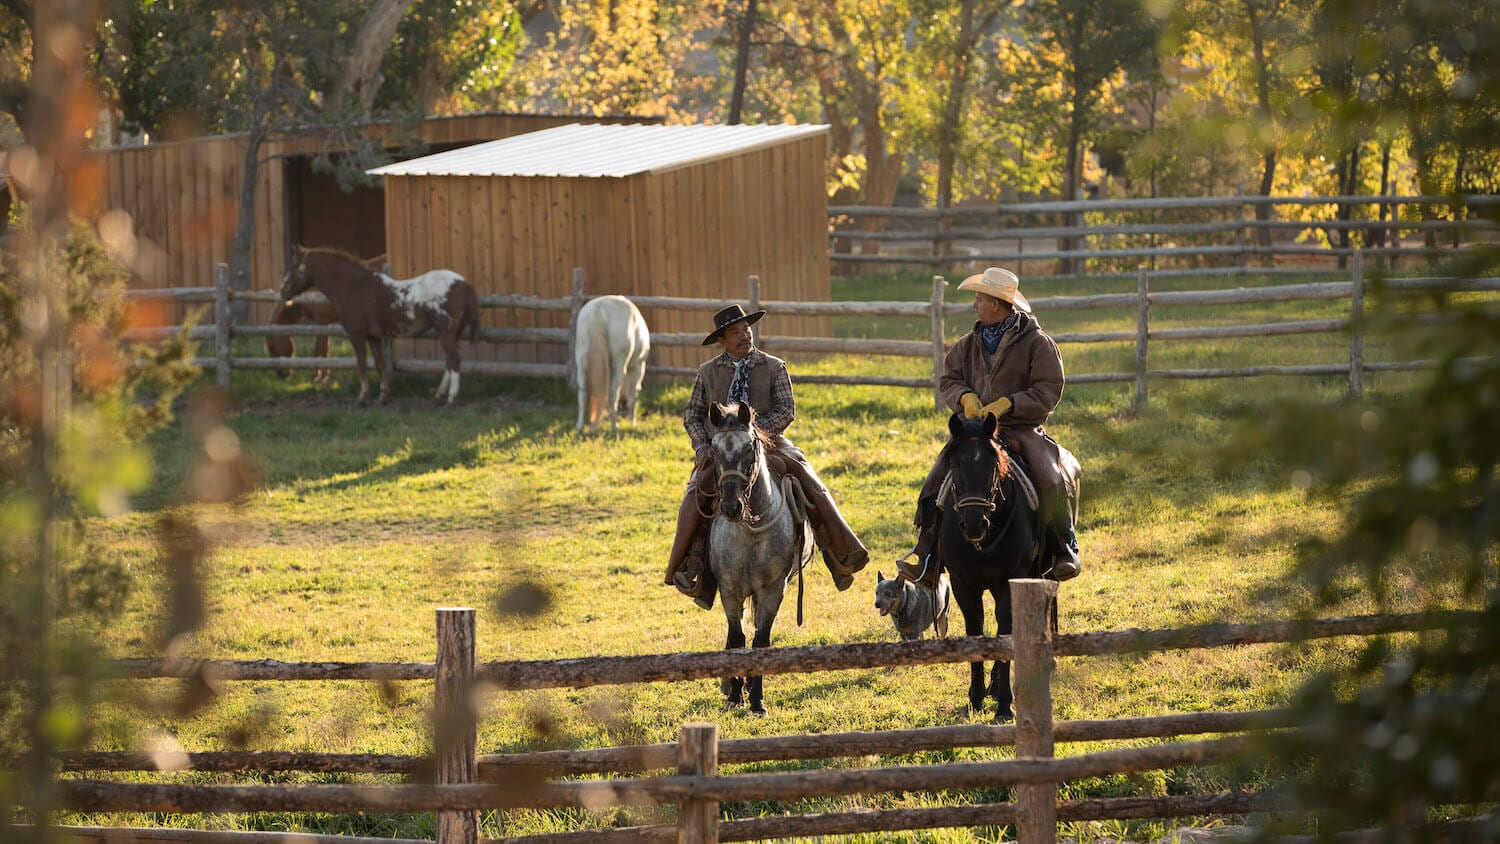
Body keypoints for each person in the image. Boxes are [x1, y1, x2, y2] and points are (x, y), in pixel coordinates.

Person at [664, 304, 870, 608]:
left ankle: (837, 552)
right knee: (697, 489)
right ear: (722, 339)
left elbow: (787, 409)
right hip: (722, 449)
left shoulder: (774, 366)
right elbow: (692, 415)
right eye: (734, 332)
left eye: (746, 329)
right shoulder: (707, 372)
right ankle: (691, 566)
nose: (744, 336)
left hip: (771, 443)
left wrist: (755, 434)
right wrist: (703, 446)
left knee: (806, 477)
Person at [899, 266, 1081, 584]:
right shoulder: (969, 344)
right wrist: (965, 397)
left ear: (996, 304)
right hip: (976, 433)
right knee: (934, 481)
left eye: (979, 299)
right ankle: (927, 553)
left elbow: (1048, 389)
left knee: (1049, 476)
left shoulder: (1038, 344)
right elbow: (949, 379)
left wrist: (1010, 404)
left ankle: (1063, 548)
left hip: (1023, 429)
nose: (974, 305)